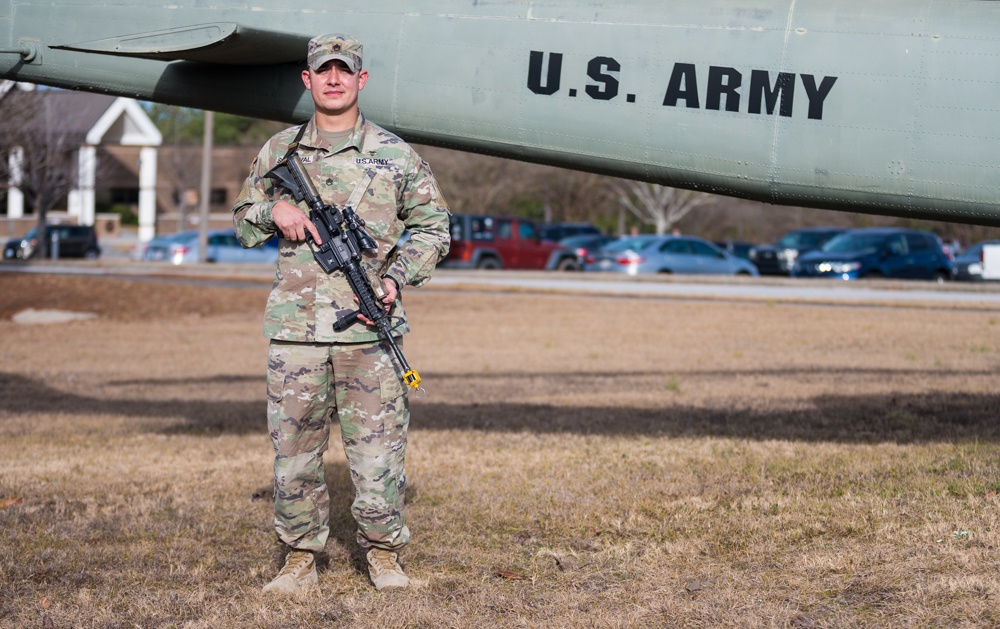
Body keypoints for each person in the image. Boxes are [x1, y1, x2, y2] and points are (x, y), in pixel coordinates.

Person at [232, 33, 451, 594]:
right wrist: (273, 207)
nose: (333, 79)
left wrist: (397, 277)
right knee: (295, 458)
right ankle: (300, 561)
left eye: (344, 71)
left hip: (370, 335)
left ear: (361, 80)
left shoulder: (396, 155)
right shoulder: (279, 152)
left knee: (378, 457)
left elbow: (434, 230)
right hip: (297, 335)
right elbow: (242, 220)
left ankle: (383, 556)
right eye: (322, 71)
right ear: (307, 81)